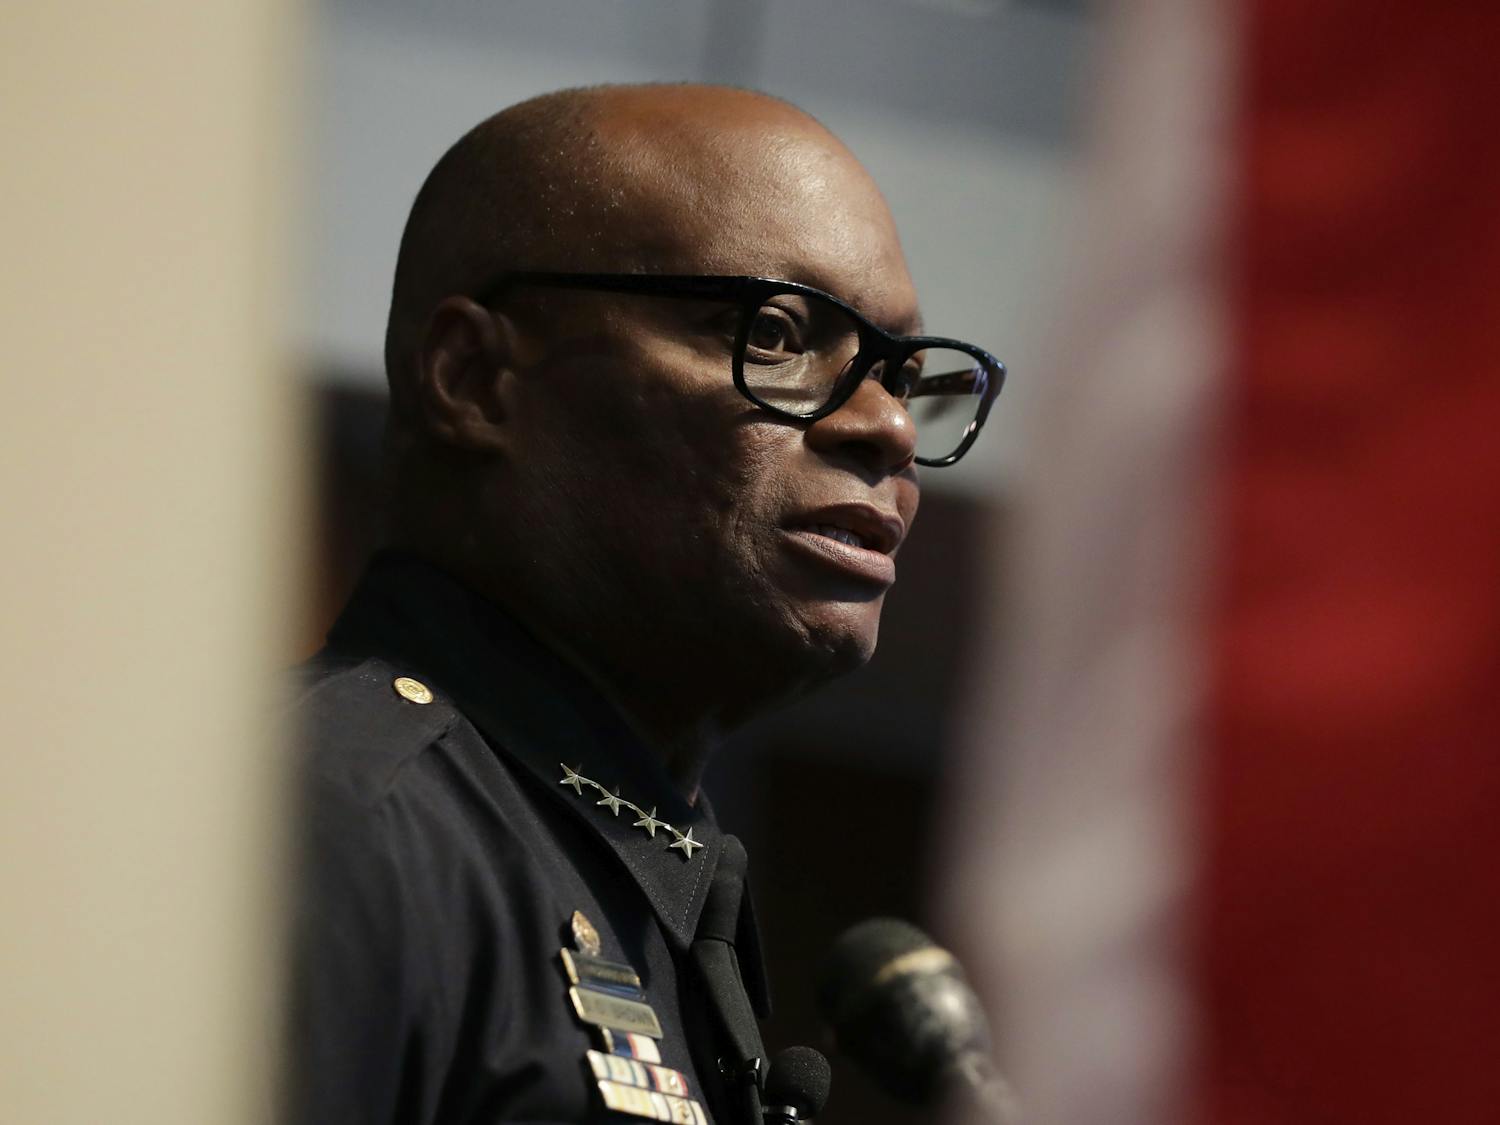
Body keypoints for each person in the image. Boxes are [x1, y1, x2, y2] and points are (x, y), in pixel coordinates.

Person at [287, 83, 1003, 1125]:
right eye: (776, 335)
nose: (888, 426)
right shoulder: (329, 824)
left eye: (901, 373)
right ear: (475, 377)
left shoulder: (633, 854)